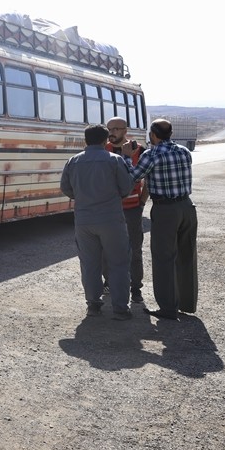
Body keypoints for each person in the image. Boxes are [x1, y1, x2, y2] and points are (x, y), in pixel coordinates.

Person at [122, 118, 196, 321]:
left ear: (153, 135)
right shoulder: (184, 151)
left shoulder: (151, 154)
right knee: (185, 255)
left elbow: (133, 177)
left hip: (166, 210)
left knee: (164, 258)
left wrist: (128, 157)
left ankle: (168, 308)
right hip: (187, 207)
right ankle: (186, 303)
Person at [60, 124, 134, 320]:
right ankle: (120, 308)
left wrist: (84, 196)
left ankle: (93, 305)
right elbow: (126, 188)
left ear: (85, 140)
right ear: (105, 141)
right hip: (111, 219)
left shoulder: (73, 161)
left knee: (90, 263)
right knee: (118, 263)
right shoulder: (114, 160)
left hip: (84, 220)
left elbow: (66, 189)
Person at [106, 117, 148, 303]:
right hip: (109, 209)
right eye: (109, 129)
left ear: (125, 130)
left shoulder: (140, 150)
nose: (112, 132)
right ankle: (109, 282)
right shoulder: (103, 149)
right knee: (107, 249)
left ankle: (135, 288)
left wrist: (142, 201)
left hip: (132, 209)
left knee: (134, 249)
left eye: (116, 128)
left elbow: (149, 178)